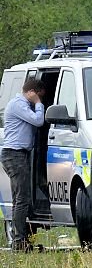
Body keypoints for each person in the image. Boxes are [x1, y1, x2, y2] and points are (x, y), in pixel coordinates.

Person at [1, 76, 46, 252]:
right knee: (22, 199)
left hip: (19, 154)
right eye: (39, 96)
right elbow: (38, 121)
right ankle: (19, 241)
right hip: (14, 154)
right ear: (32, 92)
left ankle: (20, 239)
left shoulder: (22, 105)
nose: (39, 100)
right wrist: (39, 103)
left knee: (19, 198)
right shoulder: (18, 104)